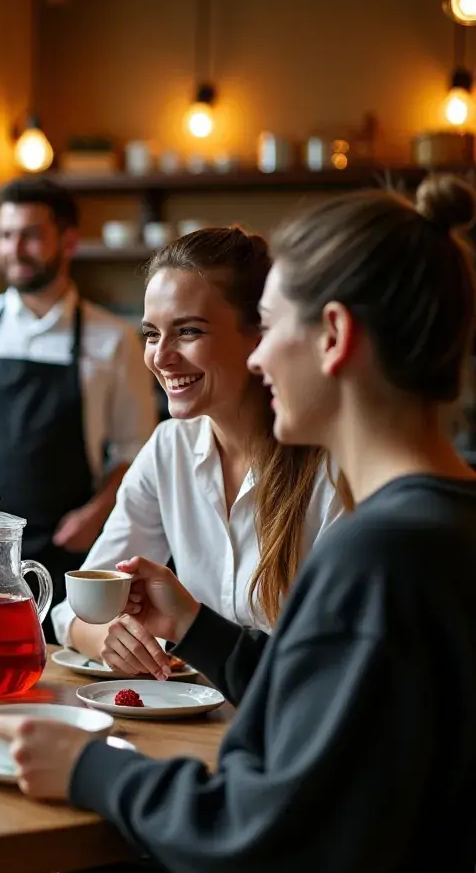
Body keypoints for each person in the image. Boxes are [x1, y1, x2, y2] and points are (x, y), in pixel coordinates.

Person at [0, 174, 476, 873]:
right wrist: (200, 629)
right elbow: (322, 728)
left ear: (330, 336)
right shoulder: (441, 523)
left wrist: (93, 771)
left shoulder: (377, 554)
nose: (260, 359)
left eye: (266, 324)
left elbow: (280, 851)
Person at [51, 227, 348, 677]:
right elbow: (77, 608)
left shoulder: (332, 467)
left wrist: (187, 625)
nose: (161, 357)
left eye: (188, 331)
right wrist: (109, 639)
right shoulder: (169, 448)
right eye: (152, 334)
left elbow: (335, 669)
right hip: (192, 720)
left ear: (258, 335)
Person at [0, 177, 157, 640]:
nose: (14, 248)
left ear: (68, 241)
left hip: (59, 547)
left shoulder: (113, 339)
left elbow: (135, 449)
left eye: (30, 235)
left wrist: (97, 514)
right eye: (5, 235)